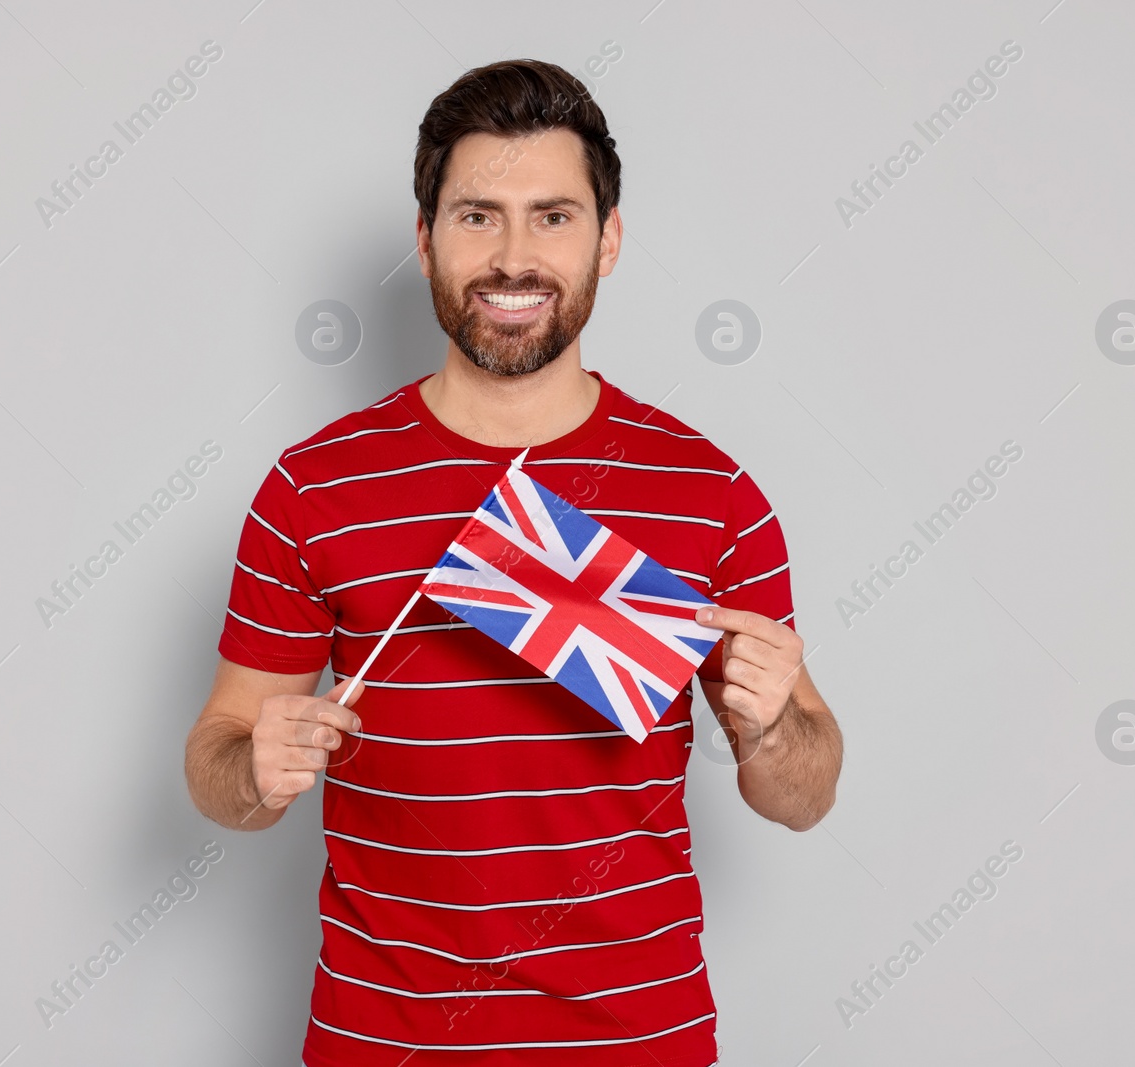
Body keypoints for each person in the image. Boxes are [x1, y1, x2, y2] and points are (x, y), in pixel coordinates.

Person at [185, 57, 843, 1067]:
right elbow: (219, 764)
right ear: (425, 238)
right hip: (380, 1040)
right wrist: (253, 768)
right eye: (476, 215)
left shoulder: (712, 492)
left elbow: (801, 794)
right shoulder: (312, 488)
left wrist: (771, 722)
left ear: (608, 239)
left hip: (638, 1039)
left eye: (553, 216)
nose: (512, 257)